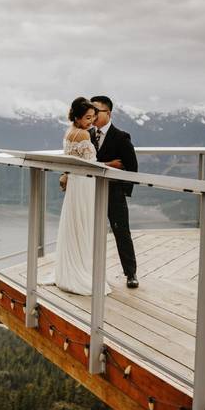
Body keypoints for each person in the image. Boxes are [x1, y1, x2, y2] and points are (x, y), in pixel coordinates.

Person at [44, 97, 111, 296]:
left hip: (74, 182)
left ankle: (70, 267)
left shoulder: (68, 133)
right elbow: (91, 161)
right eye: (88, 117)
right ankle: (81, 269)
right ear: (78, 116)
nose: (91, 121)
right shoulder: (83, 135)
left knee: (74, 222)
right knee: (85, 223)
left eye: (93, 117)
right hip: (85, 183)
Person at [89, 95, 139, 288]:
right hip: (91, 192)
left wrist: (122, 192)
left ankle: (131, 273)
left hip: (114, 194)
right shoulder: (88, 135)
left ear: (107, 113)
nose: (92, 115)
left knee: (122, 233)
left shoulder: (121, 137)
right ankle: (91, 272)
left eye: (96, 111)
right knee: (90, 232)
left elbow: (132, 167)